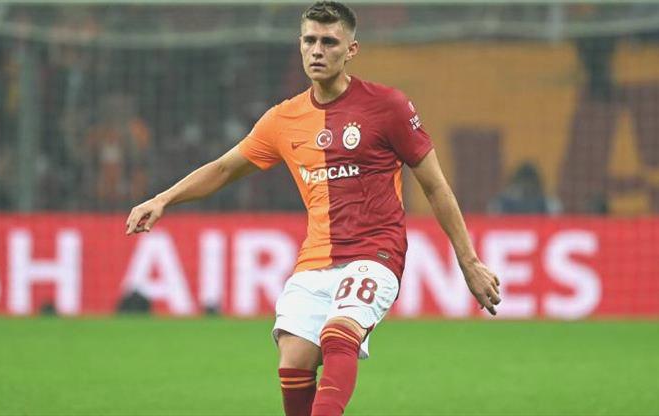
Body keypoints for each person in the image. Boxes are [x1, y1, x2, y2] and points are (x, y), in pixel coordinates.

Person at [125, 2, 501, 415]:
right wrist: (163, 199)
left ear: (351, 50)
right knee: (294, 357)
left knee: (339, 334)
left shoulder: (388, 106)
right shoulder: (283, 119)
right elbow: (224, 168)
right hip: (316, 259)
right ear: (300, 45)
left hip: (375, 253)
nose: (317, 50)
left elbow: (436, 186)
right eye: (309, 40)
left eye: (329, 42)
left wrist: (469, 262)